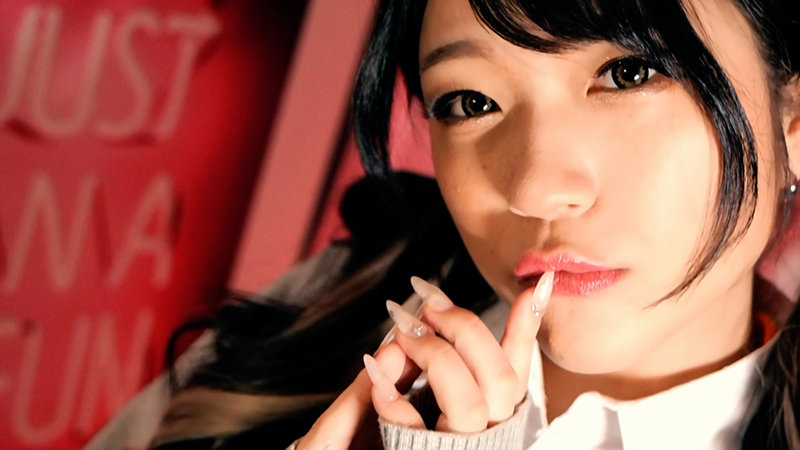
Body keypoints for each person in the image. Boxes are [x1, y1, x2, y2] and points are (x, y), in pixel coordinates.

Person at [152, 0, 800, 448]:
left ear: (792, 122)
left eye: (628, 73)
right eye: (471, 102)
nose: (533, 190)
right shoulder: (335, 306)